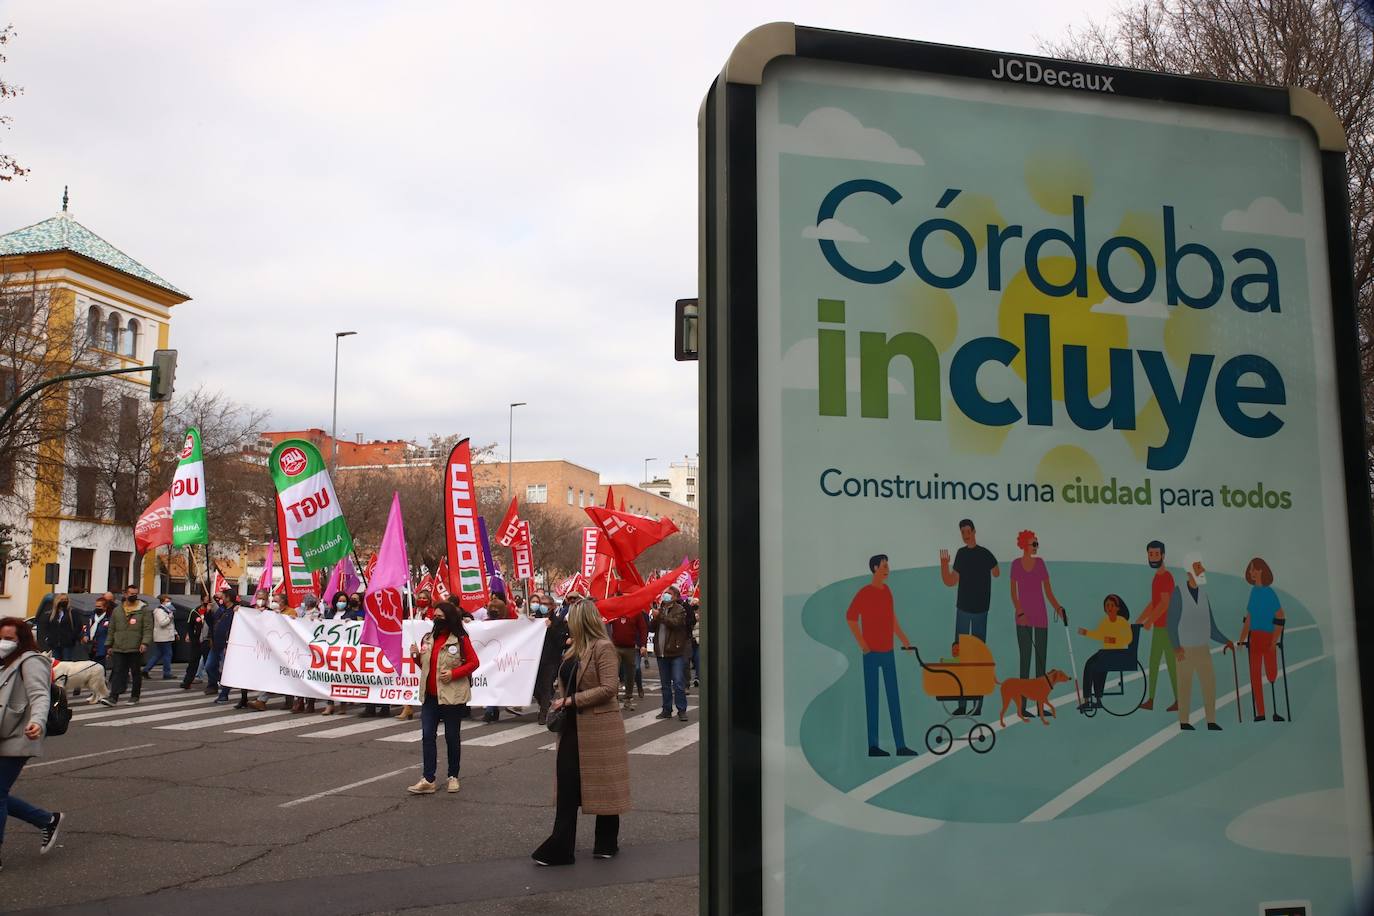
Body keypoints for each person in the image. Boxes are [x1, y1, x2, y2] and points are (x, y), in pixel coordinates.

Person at [532, 598, 630, 866]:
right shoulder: (573, 649)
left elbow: (609, 688)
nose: (566, 622)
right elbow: (568, 680)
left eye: (570, 618)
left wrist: (571, 700)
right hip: (572, 727)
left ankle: (606, 842)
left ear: (581, 620)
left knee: (605, 784)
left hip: (600, 726)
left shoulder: (604, 648)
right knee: (567, 785)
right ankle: (561, 847)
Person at [0, 616, 64, 872]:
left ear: (22, 640)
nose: (3, 643)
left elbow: (40, 695)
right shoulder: (3, 663)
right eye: (1, 637)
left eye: (9, 639)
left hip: (20, 734)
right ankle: (47, 820)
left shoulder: (31, 661)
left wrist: (38, 722)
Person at [845, 555, 917, 757]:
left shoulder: (887, 592)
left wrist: (904, 639)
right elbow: (850, 617)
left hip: (888, 652)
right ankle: (873, 746)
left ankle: (900, 745)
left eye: (888, 565)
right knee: (872, 699)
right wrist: (863, 645)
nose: (888, 569)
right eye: (884, 566)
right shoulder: (865, 593)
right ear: (875, 568)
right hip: (870, 654)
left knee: (894, 698)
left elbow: (892, 619)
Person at [406, 601, 479, 795]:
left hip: (452, 696)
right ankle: (428, 779)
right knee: (427, 735)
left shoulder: (461, 639)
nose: (436, 620)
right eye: (434, 617)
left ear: (449, 618)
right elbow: (426, 667)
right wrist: (415, 657)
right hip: (430, 696)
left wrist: (454, 673)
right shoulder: (428, 639)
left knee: (451, 736)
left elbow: (474, 663)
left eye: (440, 616)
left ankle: (453, 776)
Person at [938, 520, 999, 714]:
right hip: (963, 609)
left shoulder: (985, 553)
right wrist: (944, 565)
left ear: (973, 531)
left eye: (967, 531)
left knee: (979, 657)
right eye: (962, 532)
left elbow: (997, 573)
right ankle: (962, 705)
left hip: (981, 610)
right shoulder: (961, 554)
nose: (965, 535)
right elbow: (950, 581)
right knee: (960, 655)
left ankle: (978, 704)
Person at [1166, 558, 1233, 731]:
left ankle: (1211, 721)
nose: (1202, 571)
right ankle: (1184, 722)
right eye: (1198, 568)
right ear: (1189, 572)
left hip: (1203, 649)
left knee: (1209, 684)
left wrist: (1227, 641)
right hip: (1184, 649)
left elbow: (1212, 627)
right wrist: (1176, 647)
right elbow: (1171, 622)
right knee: (1184, 686)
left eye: (1202, 568)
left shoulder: (1204, 595)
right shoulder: (1178, 592)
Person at [1009, 530, 1066, 717]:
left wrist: (1059, 608)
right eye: (1033, 543)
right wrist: (1020, 610)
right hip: (1023, 618)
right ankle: (1022, 707)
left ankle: (1040, 708)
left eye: (1036, 544)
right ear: (1024, 545)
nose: (1036, 547)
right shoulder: (1015, 565)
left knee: (1041, 665)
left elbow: (1048, 592)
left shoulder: (1040, 564)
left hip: (1041, 616)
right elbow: (1013, 594)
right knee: (1024, 661)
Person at [1238, 557, 1286, 722]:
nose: (1251, 572)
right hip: (1255, 638)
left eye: (1253, 569)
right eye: (1250, 570)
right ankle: (1261, 712)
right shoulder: (1254, 592)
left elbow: (1280, 616)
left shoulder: (1269, 592)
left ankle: (1275, 711)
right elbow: (1249, 617)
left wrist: (1274, 640)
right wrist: (1242, 638)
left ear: (1261, 571)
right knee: (1255, 675)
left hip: (1268, 637)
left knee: (1271, 673)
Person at [1138, 540, 1180, 712]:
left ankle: (1179, 700)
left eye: (1156, 554)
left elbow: (1164, 603)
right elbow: (1154, 603)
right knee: (1153, 663)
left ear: (1163, 555)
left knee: (1171, 664)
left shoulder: (1166, 577)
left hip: (1167, 628)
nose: (1153, 557)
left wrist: (1149, 621)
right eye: (1150, 554)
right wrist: (1140, 619)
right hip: (1159, 629)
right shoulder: (1157, 577)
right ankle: (1151, 700)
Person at [1077, 595, 1134, 711]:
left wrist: (1113, 640)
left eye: (1112, 605)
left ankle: (1092, 699)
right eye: (1107, 605)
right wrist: (1086, 633)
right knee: (1090, 664)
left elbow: (1128, 639)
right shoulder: (1104, 622)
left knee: (1093, 666)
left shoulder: (1122, 622)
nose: (1109, 608)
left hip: (1117, 653)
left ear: (1118, 608)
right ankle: (1091, 700)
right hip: (1105, 652)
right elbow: (1099, 635)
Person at [101, 590, 152, 707]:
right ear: (125, 594)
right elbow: (111, 628)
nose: (133, 595)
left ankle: (135, 696)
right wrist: (109, 644)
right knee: (118, 671)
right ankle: (113, 697)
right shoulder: (118, 610)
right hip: (119, 646)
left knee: (135, 672)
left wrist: (145, 643)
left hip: (135, 646)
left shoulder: (143, 610)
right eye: (131, 593)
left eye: (135, 593)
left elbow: (148, 628)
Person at [650, 587, 691, 722]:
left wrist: (660, 616)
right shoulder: (661, 609)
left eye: (669, 593)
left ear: (675, 596)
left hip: (676, 652)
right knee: (665, 684)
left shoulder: (680, 609)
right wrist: (655, 617)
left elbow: (675, 623)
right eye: (665, 593)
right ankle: (666, 709)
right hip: (661, 653)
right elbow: (651, 628)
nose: (666, 595)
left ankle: (681, 710)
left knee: (678, 682)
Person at [533, 594, 571, 725]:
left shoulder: (558, 622)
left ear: (553, 607)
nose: (542, 606)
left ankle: (543, 713)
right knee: (535, 687)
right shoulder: (533, 619)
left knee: (546, 685)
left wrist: (551, 628)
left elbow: (561, 642)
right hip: (535, 659)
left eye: (546, 604)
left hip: (551, 660)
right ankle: (545, 701)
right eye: (540, 603)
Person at [607, 601, 647, 712]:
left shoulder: (636, 612)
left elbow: (643, 628)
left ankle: (628, 699)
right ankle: (613, 698)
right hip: (615, 647)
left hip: (630, 648)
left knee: (630, 674)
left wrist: (643, 645)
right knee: (613, 672)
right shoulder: (614, 612)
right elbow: (605, 624)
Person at [480, 595, 512, 723]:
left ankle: (490, 709)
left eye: (496, 608)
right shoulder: (484, 623)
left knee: (496, 682)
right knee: (490, 682)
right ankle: (492, 709)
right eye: (491, 608)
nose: (493, 610)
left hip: (501, 658)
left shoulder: (508, 623)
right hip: (487, 658)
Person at [142, 595, 177, 679]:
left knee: (158, 654)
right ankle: (167, 673)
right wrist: (169, 617)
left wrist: (175, 633)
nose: (169, 603)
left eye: (169, 601)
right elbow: (162, 623)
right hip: (162, 637)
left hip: (167, 636)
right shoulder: (159, 611)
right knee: (168, 654)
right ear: (162, 602)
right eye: (167, 601)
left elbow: (171, 624)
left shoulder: (167, 610)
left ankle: (146, 670)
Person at [180, 598, 210, 690]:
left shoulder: (212, 611)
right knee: (193, 662)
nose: (207, 602)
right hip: (196, 641)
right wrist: (192, 637)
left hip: (207, 641)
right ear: (201, 601)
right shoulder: (194, 612)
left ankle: (213, 683)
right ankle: (187, 681)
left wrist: (209, 612)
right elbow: (189, 626)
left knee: (209, 663)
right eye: (205, 600)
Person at [41, 595, 80, 662]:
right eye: (62, 599)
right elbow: (47, 627)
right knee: (56, 662)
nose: (64, 601)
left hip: (67, 643)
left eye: (65, 599)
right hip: (54, 643)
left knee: (66, 662)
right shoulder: (52, 614)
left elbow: (78, 626)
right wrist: (49, 638)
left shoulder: (72, 612)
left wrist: (72, 637)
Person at [85, 597, 111, 670]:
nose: (97, 608)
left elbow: (110, 633)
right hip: (91, 646)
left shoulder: (109, 618)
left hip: (102, 647)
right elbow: (88, 628)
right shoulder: (92, 617)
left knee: (101, 668)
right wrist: (86, 636)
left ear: (105, 607)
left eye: (99, 606)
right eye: (96, 606)